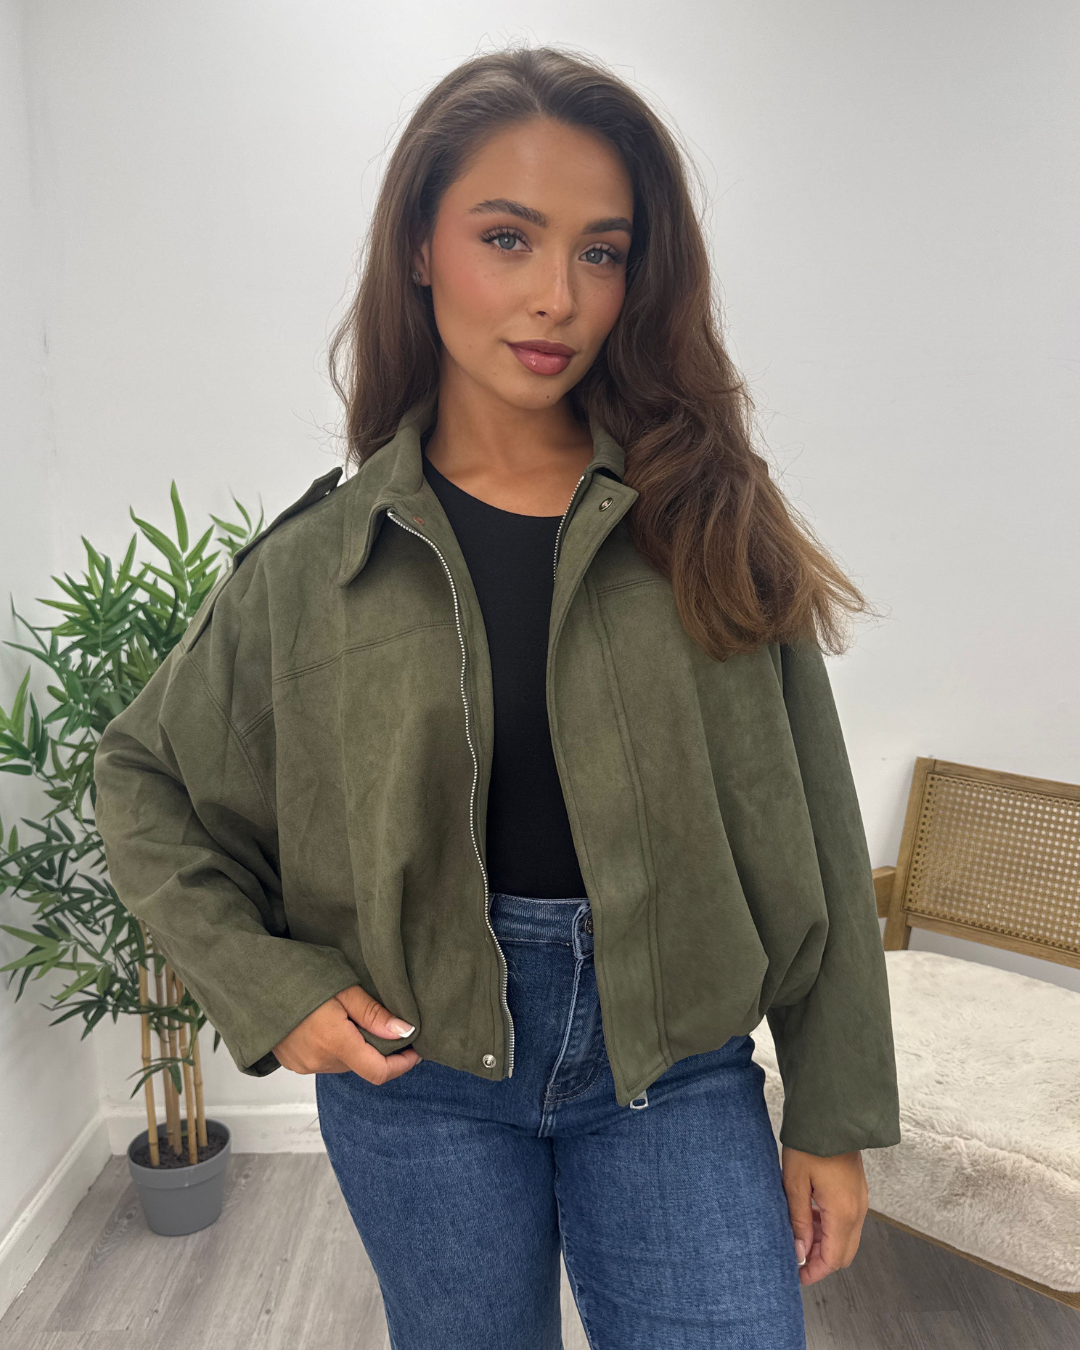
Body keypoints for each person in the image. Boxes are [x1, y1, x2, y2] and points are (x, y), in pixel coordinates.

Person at [93, 44, 901, 1350]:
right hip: (421, 1082)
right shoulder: (319, 561)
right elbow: (142, 780)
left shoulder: (706, 522)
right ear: (422, 248)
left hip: (677, 1069)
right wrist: (268, 985)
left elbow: (811, 816)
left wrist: (833, 1108)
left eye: (601, 251)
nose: (556, 297)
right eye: (508, 237)